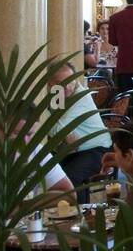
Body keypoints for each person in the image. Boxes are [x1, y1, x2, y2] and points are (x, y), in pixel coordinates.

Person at [48, 63, 113, 193]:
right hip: (72, 150)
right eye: (60, 83)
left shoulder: (80, 96)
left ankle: (79, 211)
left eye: (70, 81)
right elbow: (57, 128)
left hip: (97, 150)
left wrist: (64, 133)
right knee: (51, 177)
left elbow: (56, 129)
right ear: (49, 84)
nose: (66, 87)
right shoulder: (58, 96)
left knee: (68, 181)